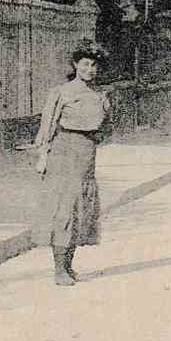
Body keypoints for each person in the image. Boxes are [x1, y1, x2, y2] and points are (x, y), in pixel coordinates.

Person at [33, 42, 112, 286]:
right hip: (63, 154)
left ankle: (69, 265)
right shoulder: (61, 92)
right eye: (86, 63)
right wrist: (43, 156)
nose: (90, 69)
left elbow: (108, 129)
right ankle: (59, 270)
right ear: (76, 65)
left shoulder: (101, 96)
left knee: (80, 210)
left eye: (94, 65)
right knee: (63, 209)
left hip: (87, 155)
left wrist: (96, 136)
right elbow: (47, 127)